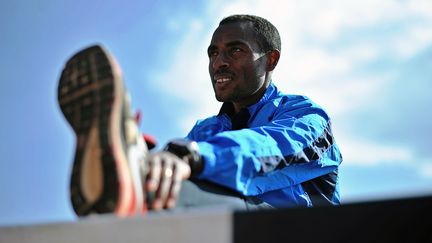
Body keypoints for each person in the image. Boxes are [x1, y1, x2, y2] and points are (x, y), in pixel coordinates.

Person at [57, 14, 342, 217]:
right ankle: (125, 170)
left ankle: (130, 188)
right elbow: (179, 165)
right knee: (161, 185)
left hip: (296, 231)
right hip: (218, 230)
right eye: (213, 53)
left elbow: (271, 149)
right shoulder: (205, 131)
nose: (219, 62)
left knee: (177, 190)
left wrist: (192, 156)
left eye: (236, 50)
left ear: (271, 60)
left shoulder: (308, 118)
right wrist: (154, 163)